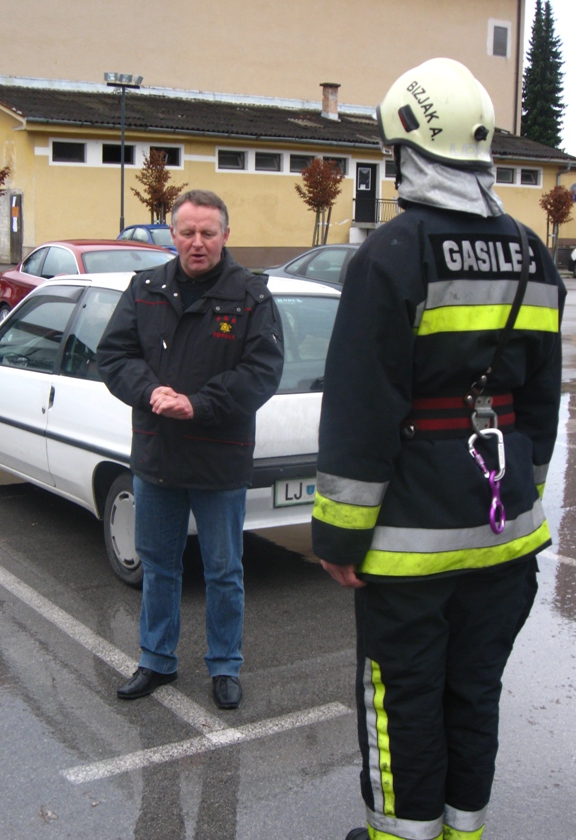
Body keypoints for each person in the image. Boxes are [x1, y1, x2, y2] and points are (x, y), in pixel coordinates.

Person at [312, 58, 565, 840]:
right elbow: (542, 404)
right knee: (473, 696)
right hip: (504, 531)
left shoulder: (391, 254)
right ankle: (464, 833)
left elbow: (363, 405)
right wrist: (521, 491)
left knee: (402, 704)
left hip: (409, 543)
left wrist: (339, 536)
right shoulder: (533, 253)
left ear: (406, 150)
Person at [97, 189, 284, 710]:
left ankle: (225, 666)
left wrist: (197, 405)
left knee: (223, 571)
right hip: (157, 456)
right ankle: (156, 659)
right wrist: (151, 392)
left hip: (220, 458)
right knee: (159, 565)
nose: (197, 242)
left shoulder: (252, 297)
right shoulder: (145, 288)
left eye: (207, 232)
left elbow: (262, 372)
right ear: (172, 235)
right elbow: (113, 355)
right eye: (187, 232)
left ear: (225, 235)